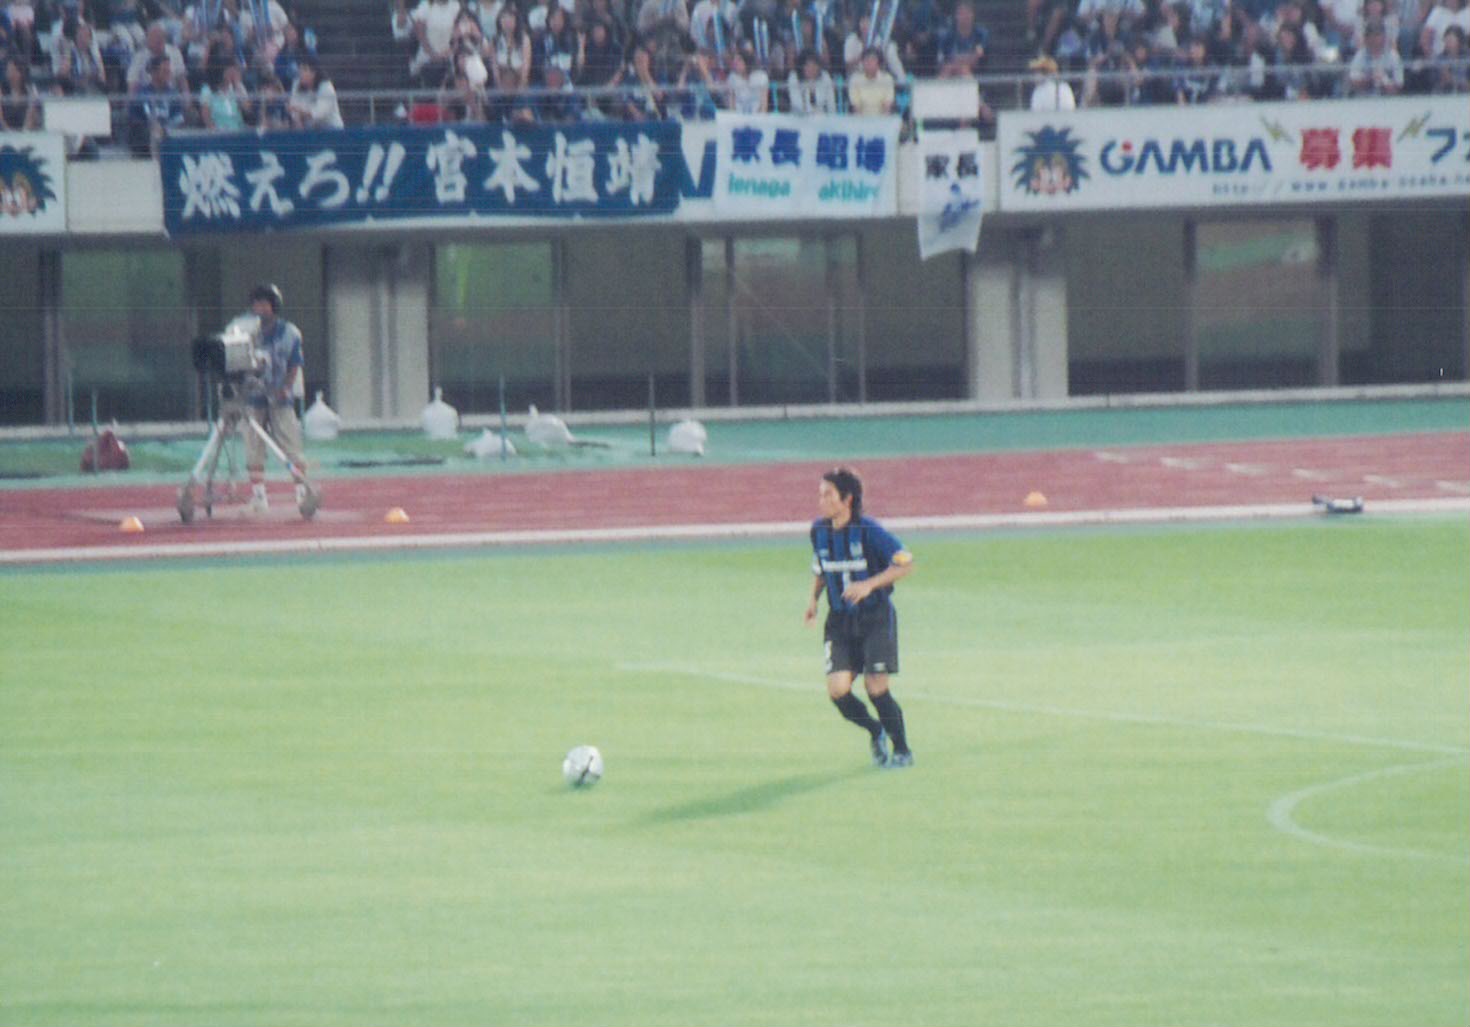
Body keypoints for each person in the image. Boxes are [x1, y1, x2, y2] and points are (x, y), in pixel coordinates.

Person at [804, 467, 915, 769]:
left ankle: (902, 749)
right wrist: (813, 600)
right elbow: (821, 568)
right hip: (839, 622)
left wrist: (869, 585)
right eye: (820, 494)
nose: (821, 500)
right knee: (838, 690)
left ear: (847, 499)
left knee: (876, 687)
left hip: (875, 618)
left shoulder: (869, 531)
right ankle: (875, 731)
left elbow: (905, 563)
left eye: (828, 495)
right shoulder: (819, 531)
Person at [243, 283, 307, 515]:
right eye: (256, 304)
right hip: (254, 398)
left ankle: (302, 493)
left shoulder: (290, 333)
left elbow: (294, 363)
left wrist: (286, 388)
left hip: (281, 399)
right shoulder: (248, 334)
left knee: (291, 445)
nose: (259, 308)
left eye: (264, 303)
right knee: (253, 448)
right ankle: (259, 497)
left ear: (274, 305)